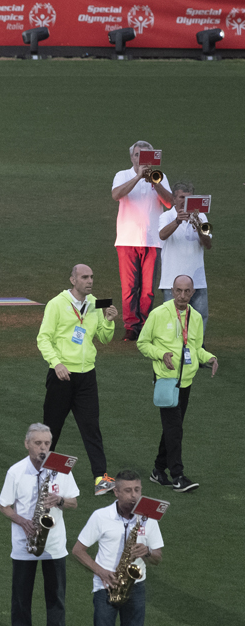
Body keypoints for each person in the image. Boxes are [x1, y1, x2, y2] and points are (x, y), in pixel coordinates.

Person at [36, 264, 119, 496]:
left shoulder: (95, 304)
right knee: (51, 429)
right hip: (61, 376)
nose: (89, 281)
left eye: (92, 276)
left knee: (92, 428)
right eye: (84, 277)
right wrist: (56, 363)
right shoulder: (56, 304)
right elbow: (43, 338)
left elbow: (103, 338)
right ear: (73, 280)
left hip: (87, 377)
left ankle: (101, 479)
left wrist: (110, 321)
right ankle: (40, 473)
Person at [0, 423, 80, 626]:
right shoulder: (15, 471)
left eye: (46, 443)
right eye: (38, 443)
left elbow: (73, 502)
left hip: (54, 546)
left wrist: (59, 500)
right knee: (21, 600)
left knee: (56, 600)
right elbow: (4, 506)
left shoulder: (62, 468)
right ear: (27, 445)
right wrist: (23, 521)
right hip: (24, 545)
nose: (43, 448)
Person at [137, 274, 218, 493]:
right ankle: (178, 476)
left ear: (193, 293)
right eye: (178, 291)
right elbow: (142, 343)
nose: (182, 295)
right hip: (166, 380)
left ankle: (157, 470)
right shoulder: (158, 314)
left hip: (186, 381)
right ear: (172, 291)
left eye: (187, 291)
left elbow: (196, 348)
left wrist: (209, 357)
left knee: (172, 428)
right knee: (175, 429)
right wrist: (161, 354)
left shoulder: (196, 317)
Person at [72, 471, 163, 626]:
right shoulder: (100, 516)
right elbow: (78, 550)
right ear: (116, 492)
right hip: (106, 586)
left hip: (135, 586)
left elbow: (157, 558)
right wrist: (100, 571)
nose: (134, 495)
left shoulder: (148, 517)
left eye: (137, 489)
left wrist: (147, 551)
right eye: (128, 490)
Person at [111, 140, 173, 341]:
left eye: (145, 156)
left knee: (147, 289)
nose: (140, 159)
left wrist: (155, 183)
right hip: (127, 239)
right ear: (132, 157)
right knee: (129, 287)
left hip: (152, 240)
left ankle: (145, 325)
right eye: (137, 155)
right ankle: (131, 326)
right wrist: (138, 177)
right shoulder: (123, 175)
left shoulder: (160, 177)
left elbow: (170, 203)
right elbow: (116, 194)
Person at [157, 181, 211, 330]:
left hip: (197, 281)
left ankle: (199, 350)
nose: (185, 201)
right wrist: (178, 221)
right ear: (174, 199)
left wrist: (199, 226)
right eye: (181, 197)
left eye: (189, 198)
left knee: (199, 320)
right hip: (171, 282)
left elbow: (208, 243)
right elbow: (162, 235)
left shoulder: (202, 217)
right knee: (173, 323)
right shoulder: (166, 216)